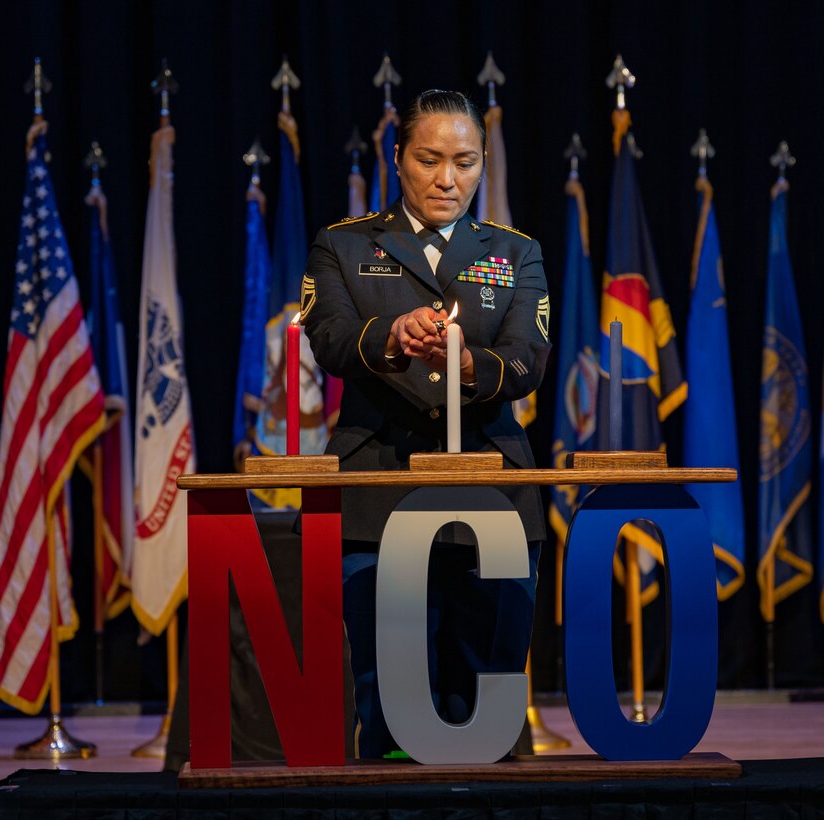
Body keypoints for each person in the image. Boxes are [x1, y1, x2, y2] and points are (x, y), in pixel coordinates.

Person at [302, 89, 551, 759]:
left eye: (465, 162)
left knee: (488, 698)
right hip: (377, 489)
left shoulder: (515, 251)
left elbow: (528, 361)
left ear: (484, 163)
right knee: (386, 699)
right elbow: (327, 338)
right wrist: (390, 335)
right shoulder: (344, 244)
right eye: (430, 159)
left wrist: (470, 365)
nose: (448, 179)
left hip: (492, 489)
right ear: (398, 158)